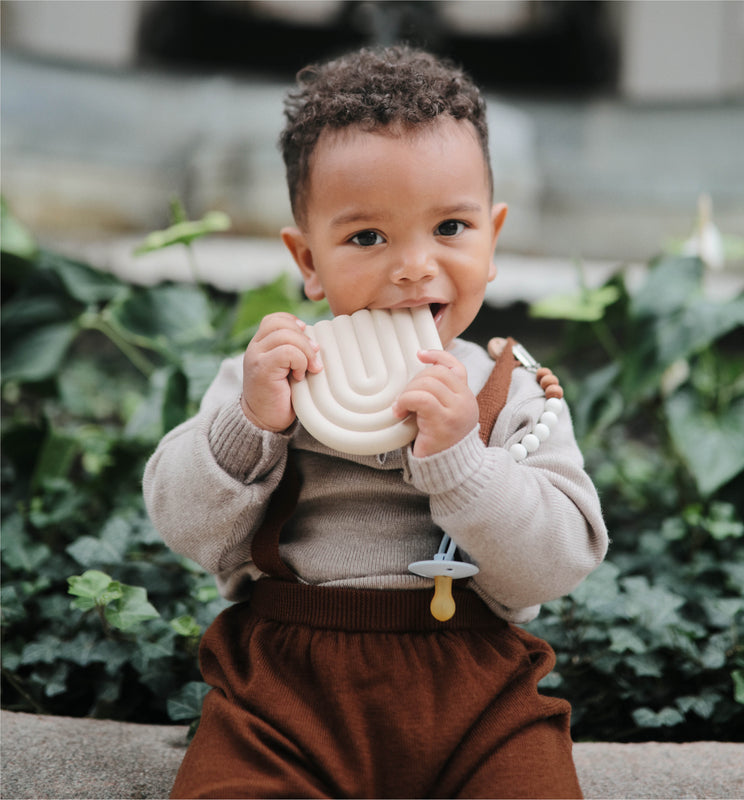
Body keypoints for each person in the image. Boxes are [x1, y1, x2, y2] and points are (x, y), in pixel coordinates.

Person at [144, 44, 607, 799]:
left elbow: (557, 561)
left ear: (493, 239)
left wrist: (463, 457)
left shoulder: (512, 390)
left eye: (450, 228)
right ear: (309, 260)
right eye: (367, 237)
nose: (414, 266)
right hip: (285, 692)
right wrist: (250, 424)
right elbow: (184, 523)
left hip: (476, 692)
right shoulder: (269, 379)